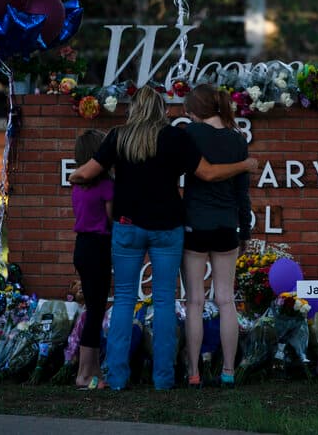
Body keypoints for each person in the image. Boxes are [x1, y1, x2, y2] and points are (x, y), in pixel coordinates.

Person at [68, 84, 256, 391]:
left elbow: (86, 173)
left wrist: (78, 178)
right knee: (166, 300)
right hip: (167, 228)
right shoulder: (174, 137)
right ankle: (164, 378)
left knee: (125, 299)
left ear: (133, 109)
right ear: (161, 110)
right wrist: (245, 165)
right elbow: (208, 174)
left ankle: (116, 378)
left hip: (127, 226)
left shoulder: (118, 136)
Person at [181, 84, 252, 388]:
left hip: (195, 223)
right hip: (227, 225)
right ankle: (228, 371)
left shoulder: (189, 134)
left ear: (195, 109)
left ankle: (194, 372)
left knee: (195, 301)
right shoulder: (238, 140)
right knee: (226, 300)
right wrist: (245, 230)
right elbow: (242, 193)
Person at [70, 129, 114, 390]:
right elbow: (112, 218)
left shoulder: (78, 185)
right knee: (96, 311)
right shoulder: (107, 186)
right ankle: (84, 375)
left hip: (82, 247)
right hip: (98, 247)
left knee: (93, 309)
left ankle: (92, 370)